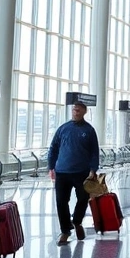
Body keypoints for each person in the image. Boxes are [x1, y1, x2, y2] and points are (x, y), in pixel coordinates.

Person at [48, 98, 100, 245]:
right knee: (61, 202)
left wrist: (93, 169)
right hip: (62, 172)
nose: (76, 111)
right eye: (74, 109)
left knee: (83, 199)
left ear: (84, 111)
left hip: (82, 172)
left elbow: (94, 152)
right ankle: (65, 231)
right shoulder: (63, 128)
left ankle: (77, 221)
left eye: (78, 109)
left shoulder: (89, 130)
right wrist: (51, 167)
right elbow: (53, 148)